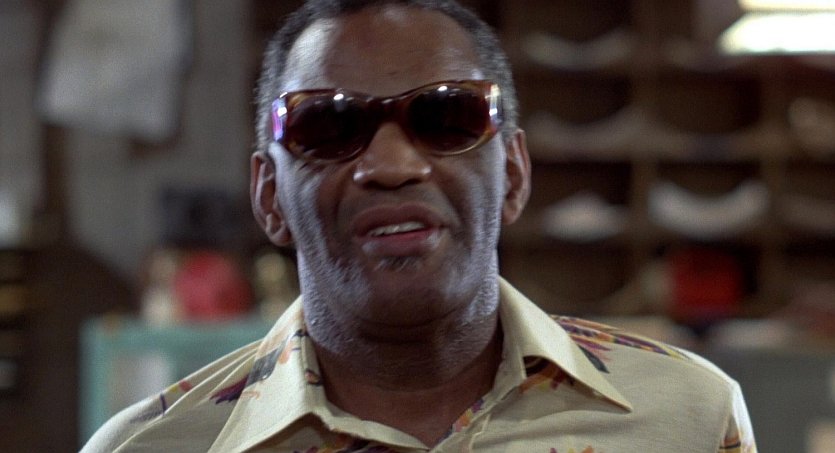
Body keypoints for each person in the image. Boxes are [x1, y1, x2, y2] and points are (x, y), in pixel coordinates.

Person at [82, 1, 758, 451]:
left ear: (513, 173)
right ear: (269, 197)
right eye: (328, 125)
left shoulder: (686, 419)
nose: (391, 164)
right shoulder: (152, 448)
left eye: (446, 117)